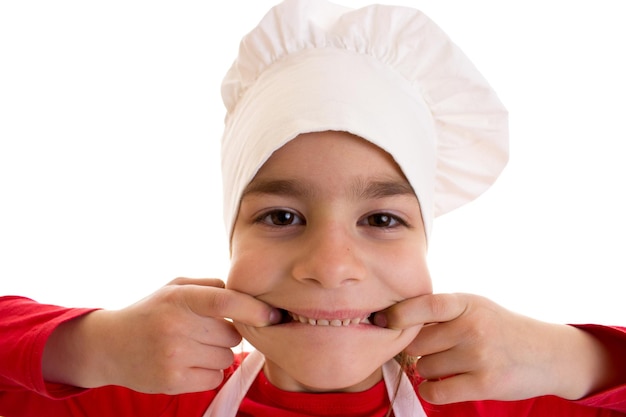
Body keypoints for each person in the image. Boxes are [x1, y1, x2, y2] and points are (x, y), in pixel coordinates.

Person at [1, 0, 625, 416]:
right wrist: (83, 348)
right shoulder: (142, 393)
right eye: (281, 216)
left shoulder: (502, 399)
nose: (330, 266)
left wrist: (575, 359)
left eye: (381, 220)